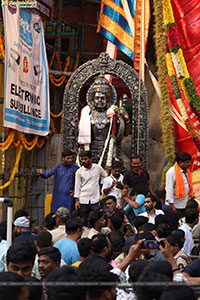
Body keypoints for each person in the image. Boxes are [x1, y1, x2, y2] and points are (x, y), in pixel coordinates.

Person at [74, 150, 107, 225]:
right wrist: (76, 200)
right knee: (84, 221)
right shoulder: (79, 171)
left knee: (96, 220)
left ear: (90, 159)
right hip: (83, 199)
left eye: (85, 159)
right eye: (82, 159)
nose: (83, 161)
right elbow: (77, 186)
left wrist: (101, 186)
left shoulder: (97, 168)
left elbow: (105, 176)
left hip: (95, 199)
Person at [165, 152, 193, 218]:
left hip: (185, 204)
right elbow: (169, 190)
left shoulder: (187, 171)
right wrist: (172, 206)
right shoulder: (171, 172)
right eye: (187, 162)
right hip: (176, 206)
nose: (189, 164)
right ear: (181, 162)